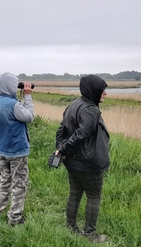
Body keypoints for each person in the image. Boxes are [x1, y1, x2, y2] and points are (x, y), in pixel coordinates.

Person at [55, 74, 109, 243]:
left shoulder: (74, 104)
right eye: (102, 90)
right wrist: (63, 148)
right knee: (94, 195)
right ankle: (91, 235)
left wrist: (62, 150)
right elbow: (81, 135)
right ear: (93, 90)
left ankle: (71, 228)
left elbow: (60, 131)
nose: (105, 93)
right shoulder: (90, 110)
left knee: (75, 194)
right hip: (88, 163)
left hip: (72, 161)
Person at [0, 72, 34, 226]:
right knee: (19, 184)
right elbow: (29, 116)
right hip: (18, 151)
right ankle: (15, 218)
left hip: (2, 149)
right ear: (11, 86)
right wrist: (27, 97)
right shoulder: (14, 105)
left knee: (4, 181)